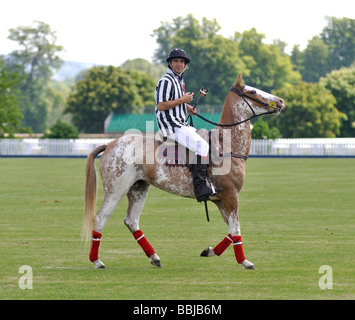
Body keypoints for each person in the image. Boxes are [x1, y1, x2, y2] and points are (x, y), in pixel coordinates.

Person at [155, 48, 221, 202]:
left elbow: (175, 101)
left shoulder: (179, 80)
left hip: (181, 122)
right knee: (202, 146)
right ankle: (200, 188)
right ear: (170, 63)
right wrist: (182, 101)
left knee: (206, 141)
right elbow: (161, 106)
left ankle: (206, 181)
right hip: (171, 125)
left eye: (182, 62)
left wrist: (187, 107)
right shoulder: (166, 80)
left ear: (185, 65)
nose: (179, 64)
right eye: (176, 61)